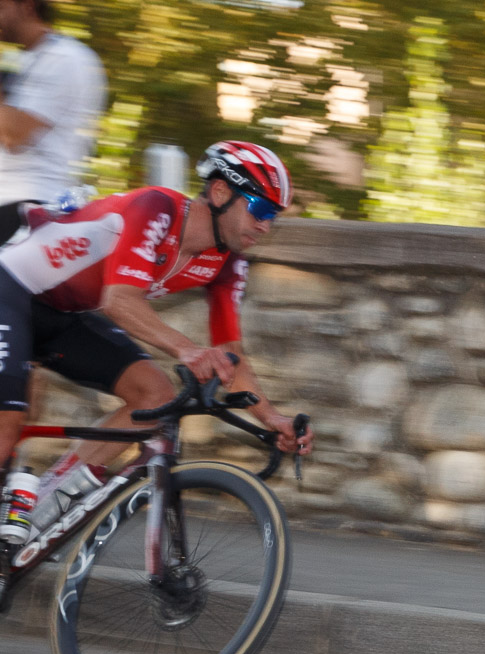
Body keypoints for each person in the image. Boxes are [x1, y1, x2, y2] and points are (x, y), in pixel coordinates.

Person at [0, 140, 313, 536]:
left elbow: (231, 356)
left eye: (274, 217)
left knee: (155, 395)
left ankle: (44, 509)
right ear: (220, 192)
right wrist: (187, 350)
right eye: (261, 209)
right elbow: (119, 301)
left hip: (62, 314)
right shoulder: (156, 209)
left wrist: (273, 419)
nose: (265, 225)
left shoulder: (228, 263)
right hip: (9, 288)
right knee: (8, 420)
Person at [0, 0, 105, 243]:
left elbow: (13, 136)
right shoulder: (22, 60)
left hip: (29, 209)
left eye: (1, 8)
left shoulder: (65, 58)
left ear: (27, 6)